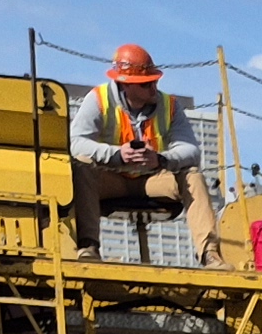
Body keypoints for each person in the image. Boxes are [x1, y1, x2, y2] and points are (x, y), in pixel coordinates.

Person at [73, 45, 213, 259]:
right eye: (146, 84)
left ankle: (210, 253)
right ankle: (89, 247)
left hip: (153, 180)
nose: (153, 88)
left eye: (155, 81)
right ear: (125, 84)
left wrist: (160, 159)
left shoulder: (171, 106)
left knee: (193, 175)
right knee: (81, 165)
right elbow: (76, 142)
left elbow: (191, 150)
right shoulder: (98, 100)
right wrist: (117, 154)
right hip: (112, 180)